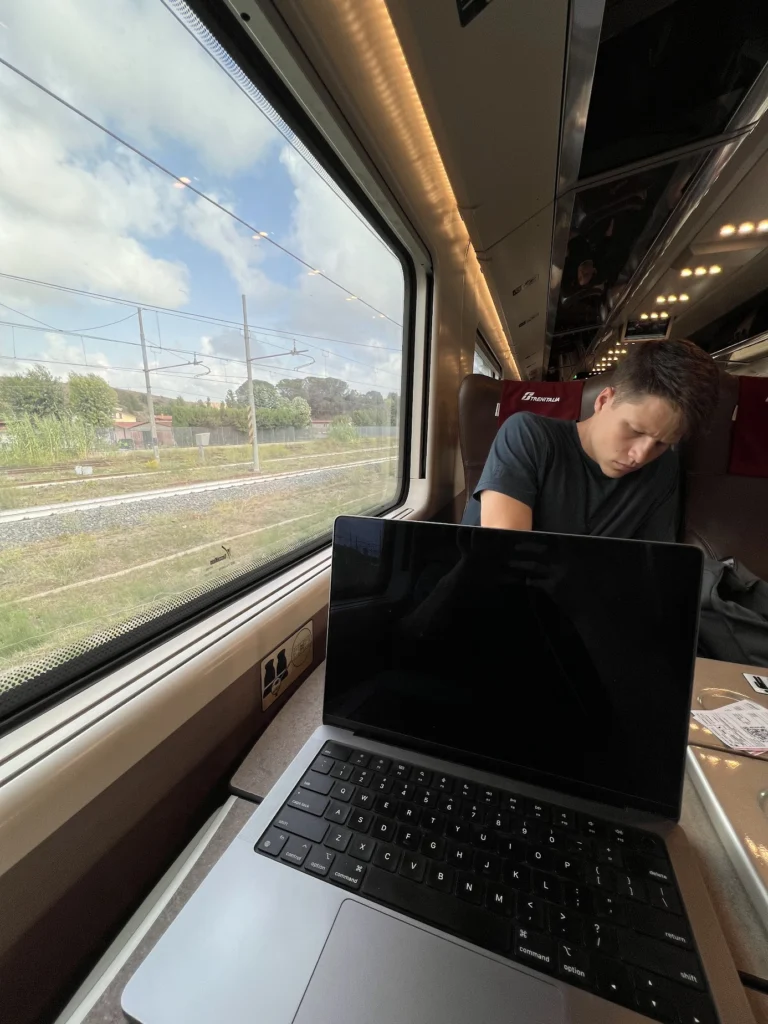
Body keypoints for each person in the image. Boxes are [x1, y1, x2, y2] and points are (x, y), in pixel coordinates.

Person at [462, 338, 720, 541]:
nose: (641, 456)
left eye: (662, 443)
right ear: (603, 400)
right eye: (636, 430)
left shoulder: (663, 469)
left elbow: (650, 566)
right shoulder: (528, 436)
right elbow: (505, 559)